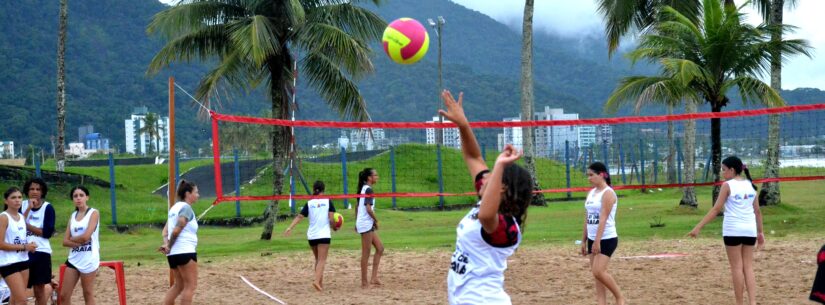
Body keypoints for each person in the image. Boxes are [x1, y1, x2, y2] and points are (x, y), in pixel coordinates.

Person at [440, 90, 532, 304]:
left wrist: (501, 164)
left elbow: (485, 216)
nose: (485, 176)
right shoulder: (488, 200)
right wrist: (463, 125)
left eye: (493, 175)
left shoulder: (506, 227)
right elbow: (473, 156)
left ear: (502, 188)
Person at [689, 156, 765, 305]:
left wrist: (698, 227)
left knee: (737, 267)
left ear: (732, 170)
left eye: (724, 170)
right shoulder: (750, 185)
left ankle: (739, 303)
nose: (722, 173)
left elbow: (716, 209)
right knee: (748, 267)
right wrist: (760, 232)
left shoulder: (727, 185)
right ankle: (753, 302)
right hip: (749, 230)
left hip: (733, 230)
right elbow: (757, 212)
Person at [581, 162, 625, 305]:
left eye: (591, 175)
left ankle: (619, 297)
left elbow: (604, 218)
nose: (589, 178)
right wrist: (583, 241)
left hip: (606, 238)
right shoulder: (591, 193)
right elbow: (587, 218)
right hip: (592, 238)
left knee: (599, 271)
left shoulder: (608, 193)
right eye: (588, 175)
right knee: (597, 277)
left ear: (601, 175)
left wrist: (597, 241)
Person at [284, 180, 338, 292]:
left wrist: (290, 227)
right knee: (322, 260)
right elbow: (332, 219)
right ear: (324, 189)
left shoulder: (309, 203)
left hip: (312, 236)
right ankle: (317, 281)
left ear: (314, 189)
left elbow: (299, 217)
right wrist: (335, 227)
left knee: (318, 260)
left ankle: (320, 283)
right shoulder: (328, 201)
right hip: (323, 235)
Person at [160, 180, 200, 305]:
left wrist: (167, 246)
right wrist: (169, 246)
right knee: (190, 286)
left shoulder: (173, 209)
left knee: (179, 285)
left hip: (173, 255)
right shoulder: (185, 208)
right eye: (196, 192)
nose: (198, 195)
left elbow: (164, 232)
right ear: (188, 194)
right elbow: (177, 229)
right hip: (185, 251)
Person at [59, 186, 100, 305]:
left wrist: (72, 239)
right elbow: (64, 242)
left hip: (89, 257)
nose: (78, 198)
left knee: (87, 293)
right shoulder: (73, 216)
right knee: (63, 296)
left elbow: (86, 237)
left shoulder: (93, 213)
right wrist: (76, 241)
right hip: (74, 258)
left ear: (87, 197)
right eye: (75, 196)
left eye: (81, 195)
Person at [0, 187, 37, 305]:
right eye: (13, 198)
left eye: (20, 197)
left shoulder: (21, 217)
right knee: (22, 300)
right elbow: (0, 244)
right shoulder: (3, 217)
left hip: (23, 260)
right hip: (8, 263)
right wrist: (24, 247)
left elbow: (20, 240)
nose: (17, 200)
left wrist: (29, 246)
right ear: (6, 201)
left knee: (15, 299)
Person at [22, 178, 56, 305]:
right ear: (27, 190)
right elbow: (16, 225)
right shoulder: (21, 205)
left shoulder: (48, 208)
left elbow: (47, 233)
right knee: (21, 287)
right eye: (32, 189)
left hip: (41, 251)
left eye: (38, 189)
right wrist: (28, 210)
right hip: (22, 251)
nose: (35, 192)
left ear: (42, 192)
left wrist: (27, 226)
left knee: (39, 289)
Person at [354, 168, 383, 289]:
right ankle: (364, 282)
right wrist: (376, 220)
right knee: (366, 254)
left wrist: (357, 221)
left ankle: (374, 278)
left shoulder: (364, 189)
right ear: (369, 178)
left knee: (380, 248)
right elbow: (368, 209)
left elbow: (357, 206)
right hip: (366, 224)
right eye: (375, 175)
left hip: (366, 223)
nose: (377, 177)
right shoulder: (368, 189)